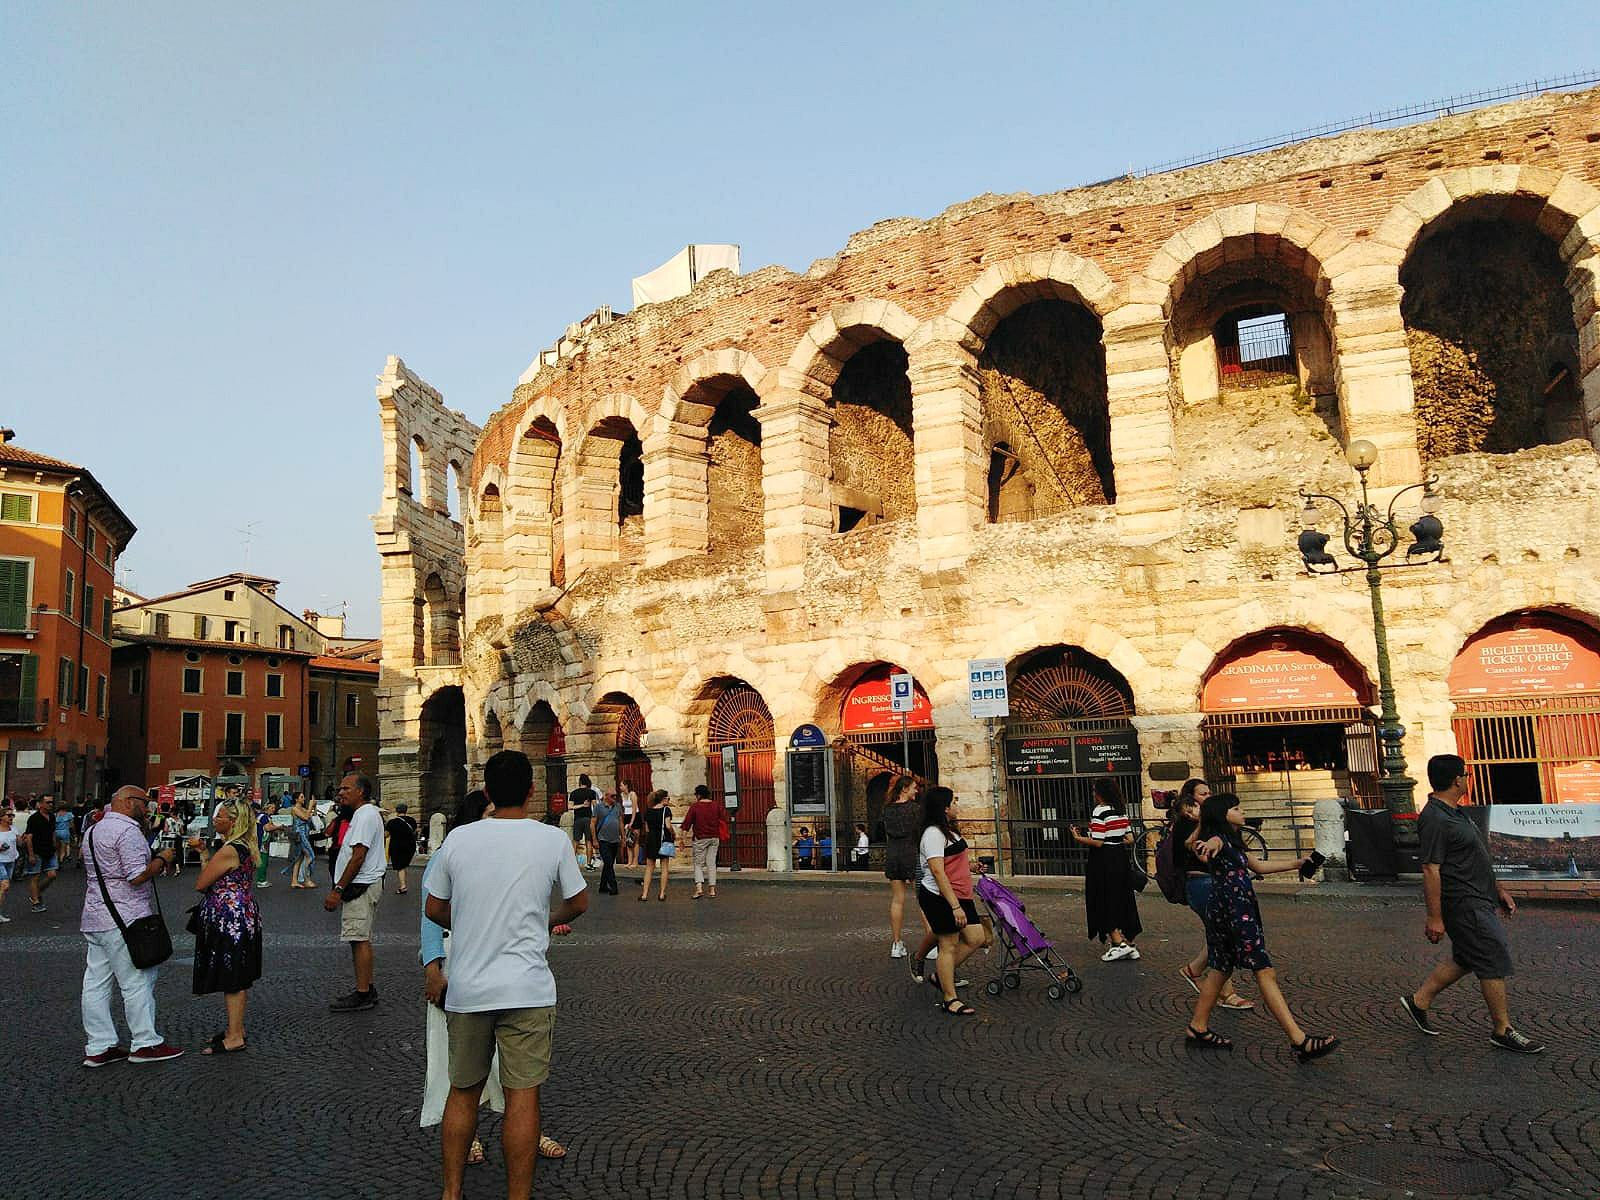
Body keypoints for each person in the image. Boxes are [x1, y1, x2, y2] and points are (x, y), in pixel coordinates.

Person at [425, 751, 588, 1200]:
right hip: (528, 987)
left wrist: (471, 921)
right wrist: (545, 918)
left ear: (488, 793)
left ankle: (452, 1193)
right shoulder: (552, 840)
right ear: (533, 792)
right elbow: (579, 901)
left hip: (469, 987)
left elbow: (434, 908)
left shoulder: (458, 840)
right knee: (523, 1096)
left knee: (462, 1092)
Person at [1402, 754, 1544, 1054]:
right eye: (1465, 774)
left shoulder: (1456, 812)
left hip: (1479, 897)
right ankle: (1502, 1030)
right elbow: (1430, 868)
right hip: (1463, 902)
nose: (1467, 779)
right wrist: (1435, 918)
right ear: (1457, 779)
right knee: (1493, 954)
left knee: (1468, 956)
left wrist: (1498, 890)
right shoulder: (1435, 818)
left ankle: (1419, 1001)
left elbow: (1476, 856)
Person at [1184, 792, 1337, 1061]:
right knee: (1263, 971)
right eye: (1236, 808)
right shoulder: (1219, 840)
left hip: (1229, 909)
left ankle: (1198, 1027)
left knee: (1220, 967)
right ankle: (1299, 1040)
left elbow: (1258, 866)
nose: (1242, 812)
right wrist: (1210, 844)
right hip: (1234, 911)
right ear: (1223, 815)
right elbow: (1213, 843)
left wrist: (1296, 863)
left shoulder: (1235, 843)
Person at [80, 786, 185, 1066]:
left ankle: (99, 1046)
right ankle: (145, 1043)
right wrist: (163, 859)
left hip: (95, 914)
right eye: (144, 802)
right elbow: (136, 876)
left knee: (95, 983)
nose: (148, 808)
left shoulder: (93, 830)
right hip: (126, 917)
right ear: (128, 802)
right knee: (137, 981)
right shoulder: (127, 832)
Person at [1168, 784, 1252, 1012]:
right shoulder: (1189, 825)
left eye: (1209, 793)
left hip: (1209, 884)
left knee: (1222, 935)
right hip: (1201, 884)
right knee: (1222, 937)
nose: (1209, 797)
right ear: (1191, 799)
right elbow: (1197, 852)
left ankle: (1195, 971)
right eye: (1203, 794)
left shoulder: (1204, 823)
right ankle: (1226, 994)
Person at [191, 797, 263, 1054]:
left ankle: (234, 1036)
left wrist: (205, 857)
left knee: (232, 976)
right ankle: (236, 1027)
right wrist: (204, 854)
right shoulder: (244, 846)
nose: (215, 819)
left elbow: (201, 883)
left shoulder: (229, 850)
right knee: (238, 974)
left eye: (220, 816)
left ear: (233, 822)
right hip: (243, 913)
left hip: (229, 917)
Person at [912, 786, 984, 1016]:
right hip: (940, 897)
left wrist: (971, 867)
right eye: (953, 802)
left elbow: (952, 862)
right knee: (948, 944)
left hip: (960, 894)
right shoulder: (932, 834)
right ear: (944, 808)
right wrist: (954, 906)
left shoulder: (949, 832)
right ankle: (949, 998)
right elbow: (937, 871)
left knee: (976, 937)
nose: (956, 806)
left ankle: (939, 976)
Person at [324, 773, 387, 1012]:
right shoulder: (363, 815)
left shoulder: (365, 815)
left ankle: (363, 993)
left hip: (361, 885)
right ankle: (365, 987)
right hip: (362, 883)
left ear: (360, 791)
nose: (340, 792)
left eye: (345, 788)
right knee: (357, 938)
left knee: (359, 938)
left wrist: (338, 889)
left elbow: (358, 855)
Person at [1069, 777, 1143, 961]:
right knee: (1122, 897)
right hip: (1120, 856)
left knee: (1102, 897)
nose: (1093, 794)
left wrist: (1078, 838)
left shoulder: (1100, 811)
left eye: (1095, 791)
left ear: (1100, 793)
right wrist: (1115, 837)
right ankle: (1130, 942)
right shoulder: (1121, 811)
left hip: (1103, 860)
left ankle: (1118, 943)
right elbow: (1130, 838)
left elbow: (1098, 842)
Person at [881, 776, 922, 958]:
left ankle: (896, 943)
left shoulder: (887, 809)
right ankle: (933, 943)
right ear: (905, 788)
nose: (917, 790)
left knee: (897, 900)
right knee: (923, 900)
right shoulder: (915, 809)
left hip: (893, 854)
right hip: (911, 853)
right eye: (914, 787)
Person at [680, 784, 724, 900]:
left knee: (698, 864)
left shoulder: (695, 807)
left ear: (698, 795)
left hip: (701, 838)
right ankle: (712, 890)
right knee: (711, 863)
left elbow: (687, 824)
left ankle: (699, 888)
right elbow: (723, 817)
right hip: (714, 837)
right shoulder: (716, 805)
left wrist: (682, 839)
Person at [632, 789, 674, 901]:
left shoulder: (648, 811)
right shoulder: (666, 810)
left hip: (651, 840)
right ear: (663, 799)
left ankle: (645, 894)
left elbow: (647, 829)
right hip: (663, 840)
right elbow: (668, 825)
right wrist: (673, 833)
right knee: (664, 867)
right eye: (668, 798)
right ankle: (661, 894)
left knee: (649, 867)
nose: (669, 800)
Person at [24, 795, 60, 912]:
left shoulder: (52, 817)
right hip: (37, 850)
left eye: (51, 802)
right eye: (48, 802)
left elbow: (53, 831)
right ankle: (36, 902)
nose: (50, 805)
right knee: (35, 876)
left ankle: (36, 893)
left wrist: (55, 843)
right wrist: (31, 854)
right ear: (41, 804)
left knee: (52, 875)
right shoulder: (34, 818)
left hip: (49, 850)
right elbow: (29, 837)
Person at [592, 791, 622, 896]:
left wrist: (623, 837)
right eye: (612, 796)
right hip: (603, 839)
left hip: (615, 839)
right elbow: (593, 824)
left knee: (608, 863)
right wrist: (594, 840)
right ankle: (614, 887)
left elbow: (620, 822)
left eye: (616, 795)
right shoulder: (598, 807)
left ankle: (602, 886)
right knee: (609, 863)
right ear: (606, 796)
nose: (614, 797)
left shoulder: (617, 806)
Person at [387, 803, 419, 894]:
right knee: (403, 865)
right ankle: (403, 884)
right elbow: (415, 831)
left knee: (400, 866)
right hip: (410, 845)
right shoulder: (412, 820)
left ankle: (403, 886)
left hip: (397, 846)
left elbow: (386, 834)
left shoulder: (392, 822)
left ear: (396, 811)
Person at [287, 792, 318, 888]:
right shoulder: (295, 809)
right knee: (310, 856)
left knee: (299, 858)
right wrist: (310, 807)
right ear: (296, 799)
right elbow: (305, 817)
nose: (304, 798)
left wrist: (314, 806)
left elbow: (313, 815)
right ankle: (307, 879)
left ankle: (294, 881)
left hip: (305, 834)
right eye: (301, 797)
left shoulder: (303, 809)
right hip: (300, 835)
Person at [568, 774, 597, 869]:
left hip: (578, 819)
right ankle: (588, 863)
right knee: (589, 841)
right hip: (588, 819)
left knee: (575, 841)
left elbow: (570, 807)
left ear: (580, 782)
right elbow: (595, 807)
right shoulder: (591, 792)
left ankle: (571, 863)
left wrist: (580, 805)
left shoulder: (574, 793)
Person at [0, 808, 18, 922]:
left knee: (3, 889)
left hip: (11, 860)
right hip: (0, 861)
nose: (11, 817)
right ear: (1, 817)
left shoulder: (14, 828)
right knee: (5, 886)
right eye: (9, 815)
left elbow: (19, 843)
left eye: (12, 815)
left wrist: (23, 839)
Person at [619, 781, 640, 866]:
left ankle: (635, 861)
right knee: (628, 840)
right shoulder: (622, 795)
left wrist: (632, 821)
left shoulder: (633, 794)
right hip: (627, 816)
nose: (620, 787)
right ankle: (629, 861)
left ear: (626, 786)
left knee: (635, 840)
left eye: (621, 785)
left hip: (635, 816)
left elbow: (634, 808)